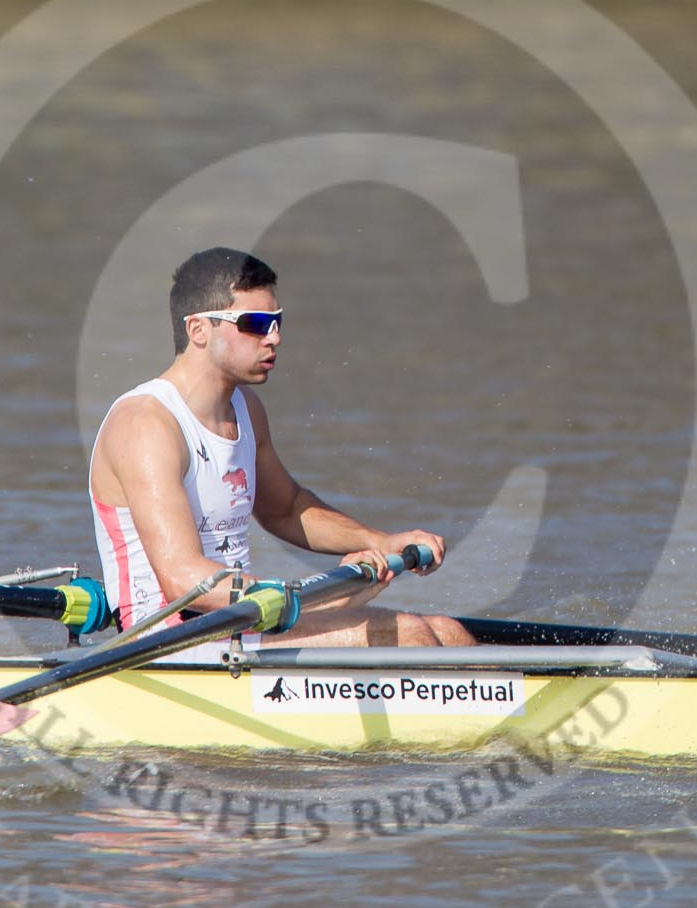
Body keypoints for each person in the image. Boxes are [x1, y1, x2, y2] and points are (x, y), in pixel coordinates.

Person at [88, 248, 475, 651]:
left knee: (448, 632)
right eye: (255, 324)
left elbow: (286, 509)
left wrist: (380, 542)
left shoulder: (246, 410)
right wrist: (314, 596)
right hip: (165, 638)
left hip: (243, 619)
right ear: (198, 330)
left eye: (276, 321)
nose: (274, 337)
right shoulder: (146, 424)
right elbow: (183, 579)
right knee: (408, 635)